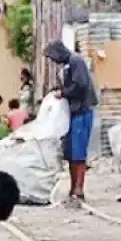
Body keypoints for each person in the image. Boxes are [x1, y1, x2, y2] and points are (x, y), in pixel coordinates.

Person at [44, 41, 98, 203]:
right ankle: (73, 187)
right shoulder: (66, 64)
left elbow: (80, 85)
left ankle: (79, 188)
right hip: (72, 112)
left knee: (78, 151)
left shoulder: (76, 61)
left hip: (82, 110)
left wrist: (64, 93)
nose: (53, 61)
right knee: (70, 152)